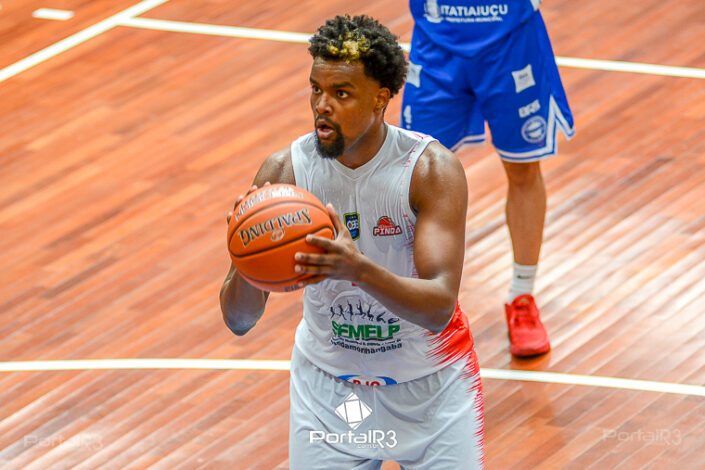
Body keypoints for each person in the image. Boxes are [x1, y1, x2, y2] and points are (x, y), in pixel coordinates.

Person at [221, 15, 484, 470]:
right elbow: (238, 320)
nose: (322, 105)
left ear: (381, 98)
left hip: (431, 392)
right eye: (316, 89)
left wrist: (357, 269)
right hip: (334, 395)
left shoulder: (428, 171)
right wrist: (246, 258)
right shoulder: (284, 173)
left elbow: (439, 307)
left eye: (341, 93)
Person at [402, 0, 575, 357]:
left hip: (511, 39)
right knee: (416, 171)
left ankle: (522, 296)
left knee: (523, 167)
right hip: (438, 36)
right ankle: (415, 302)